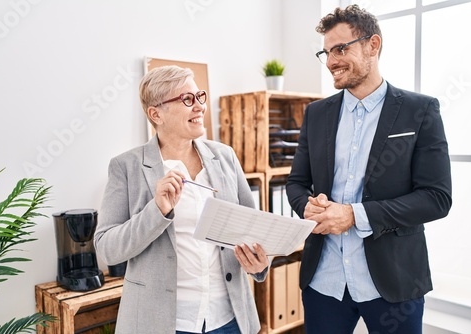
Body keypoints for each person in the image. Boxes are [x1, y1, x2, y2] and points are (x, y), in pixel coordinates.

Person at [286, 5, 452, 334]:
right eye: (326, 51)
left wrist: (354, 215)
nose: (331, 60)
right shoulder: (316, 114)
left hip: (394, 283)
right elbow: (296, 183)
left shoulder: (420, 111)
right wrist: (306, 205)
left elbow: (436, 198)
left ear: (372, 45)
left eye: (341, 48)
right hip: (324, 283)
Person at [94, 65, 269, 334]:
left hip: (229, 319)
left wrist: (258, 264)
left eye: (200, 96)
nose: (199, 106)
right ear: (156, 114)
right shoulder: (126, 166)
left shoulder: (224, 157)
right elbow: (107, 248)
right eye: (187, 100)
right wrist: (157, 210)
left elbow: (250, 227)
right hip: (164, 323)